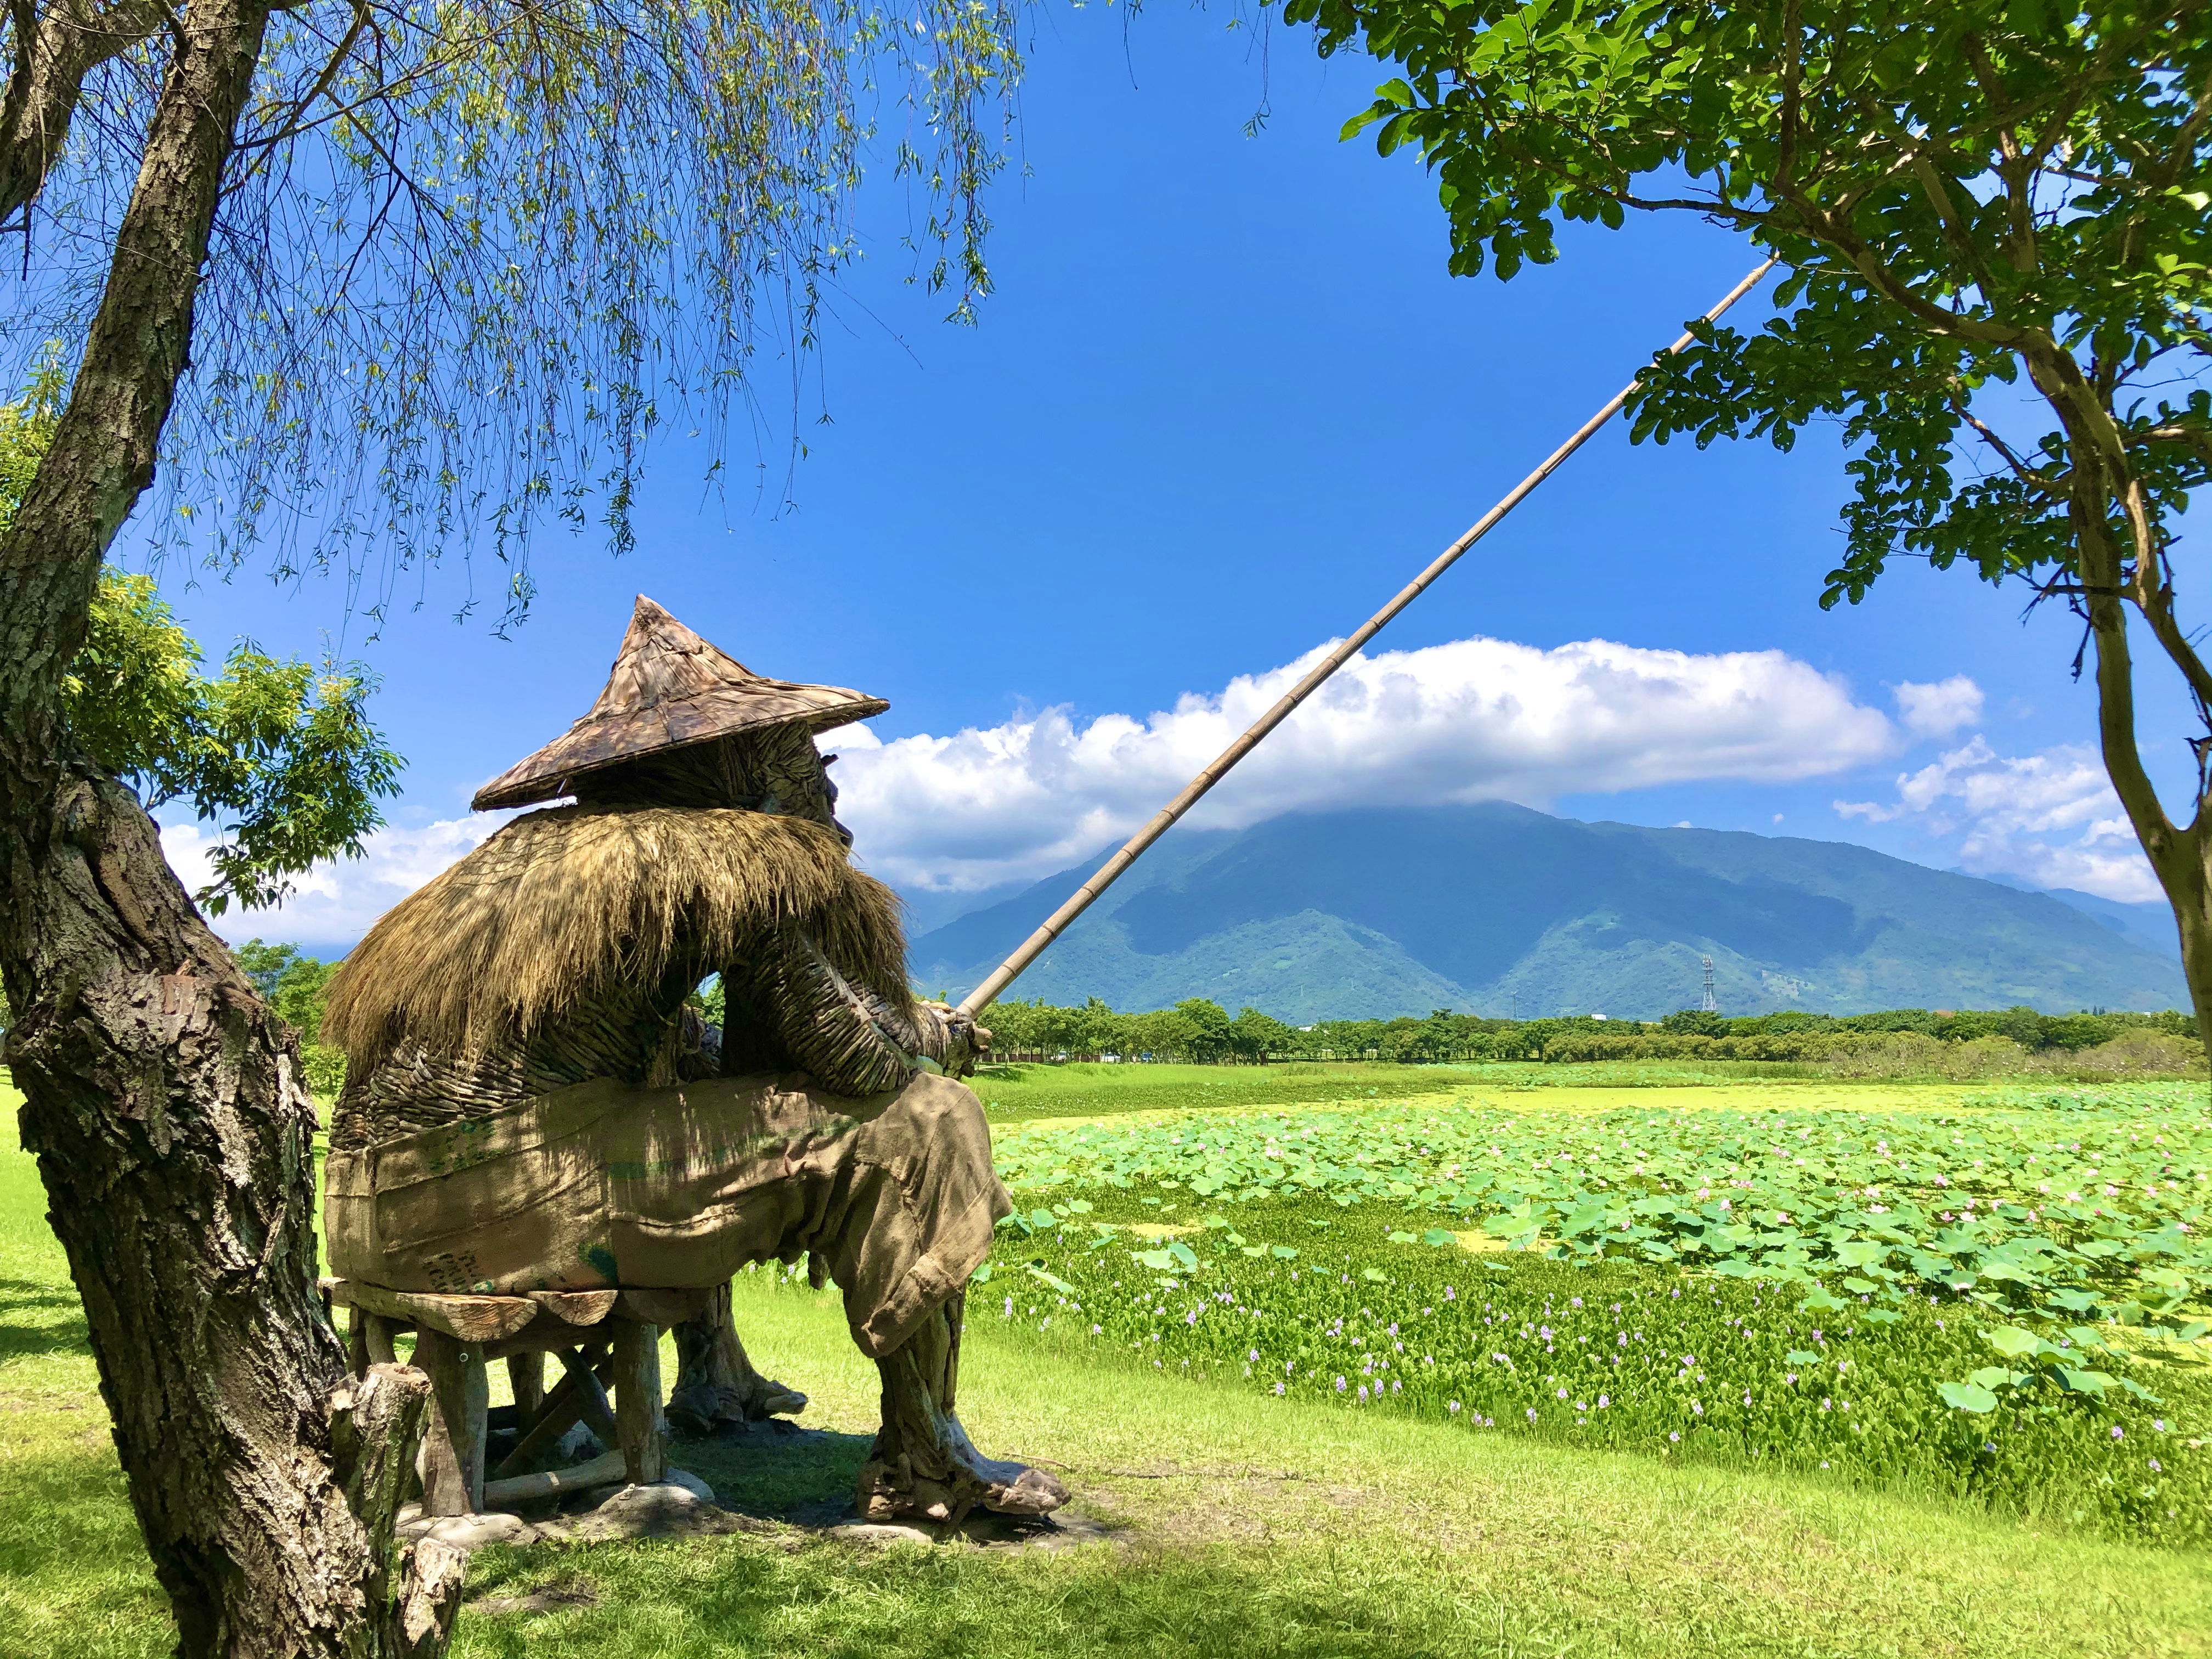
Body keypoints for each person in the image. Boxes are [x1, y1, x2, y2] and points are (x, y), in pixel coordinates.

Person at [321, 596, 1065, 1522]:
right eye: (810, 770)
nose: (828, 800)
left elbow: (711, 1055)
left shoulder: (528, 862)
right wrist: (930, 1037)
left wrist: (900, 1026)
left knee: (701, 1098)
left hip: (379, 1206)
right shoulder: (737, 857)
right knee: (928, 1120)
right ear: (750, 774)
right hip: (499, 1197)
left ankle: (722, 1377)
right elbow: (855, 1065)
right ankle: (926, 1453)